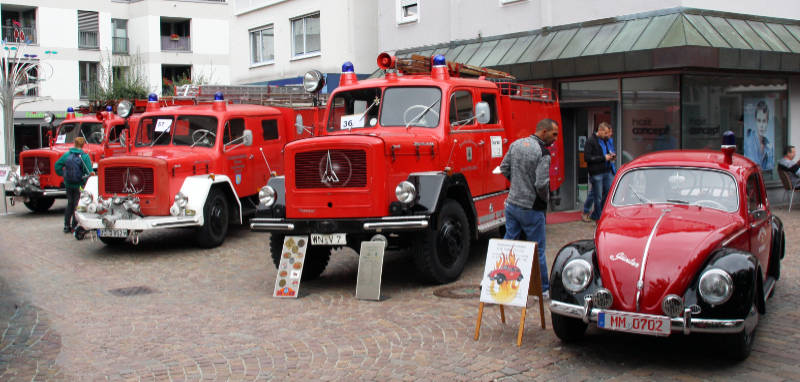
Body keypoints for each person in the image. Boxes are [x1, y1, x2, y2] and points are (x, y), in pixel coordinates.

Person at [499, 118, 559, 295]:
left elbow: (504, 168)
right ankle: (544, 289)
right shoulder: (543, 153)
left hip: (512, 204)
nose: (555, 139)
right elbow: (541, 184)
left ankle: (500, 280)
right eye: (554, 134)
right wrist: (543, 199)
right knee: (537, 249)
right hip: (531, 208)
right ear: (543, 132)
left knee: (509, 242)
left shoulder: (516, 144)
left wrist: (517, 184)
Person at [55, 137, 94, 233]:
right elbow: (89, 171)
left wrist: (63, 174)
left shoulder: (67, 154)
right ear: (83, 144)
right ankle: (75, 225)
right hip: (79, 184)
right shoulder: (84, 156)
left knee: (70, 203)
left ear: (74, 144)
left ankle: (66, 226)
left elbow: (57, 165)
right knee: (78, 204)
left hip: (68, 184)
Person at [582, 124, 616, 222]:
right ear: (599, 131)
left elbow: (609, 151)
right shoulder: (591, 141)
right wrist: (604, 158)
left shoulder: (606, 140)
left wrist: (611, 156)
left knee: (607, 193)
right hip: (596, 172)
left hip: (607, 170)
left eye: (608, 133)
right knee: (597, 196)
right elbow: (587, 158)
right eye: (605, 133)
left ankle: (595, 213)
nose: (607, 135)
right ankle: (597, 215)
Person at [744, 101, 775, 171]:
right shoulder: (749, 142)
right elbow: (753, 167)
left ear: (767, 122)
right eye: (759, 120)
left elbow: (770, 167)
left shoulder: (769, 146)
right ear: (755, 121)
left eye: (764, 121)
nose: (761, 125)